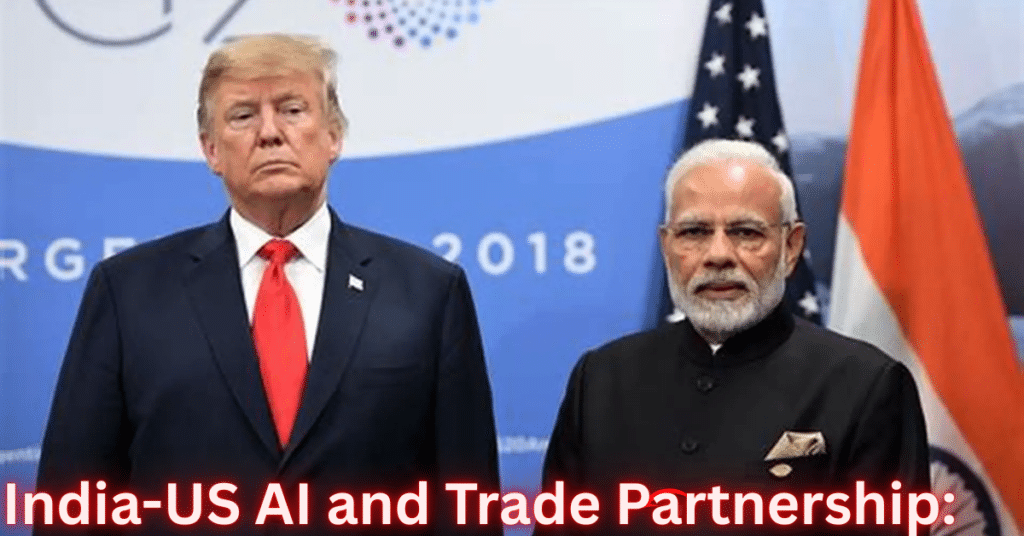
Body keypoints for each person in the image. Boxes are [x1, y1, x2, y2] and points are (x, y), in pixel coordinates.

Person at [35, 34, 501, 535]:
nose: (270, 133)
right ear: (211, 150)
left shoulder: (429, 292)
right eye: (243, 116)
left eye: (293, 110)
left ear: (335, 136)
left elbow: (467, 508)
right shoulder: (128, 292)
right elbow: (74, 503)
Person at [537, 139, 929, 534]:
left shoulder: (866, 386)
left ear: (790, 247)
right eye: (694, 231)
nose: (718, 254)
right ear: (666, 245)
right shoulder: (602, 380)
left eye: (745, 232)